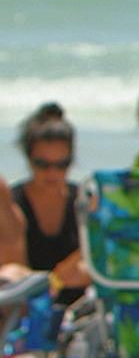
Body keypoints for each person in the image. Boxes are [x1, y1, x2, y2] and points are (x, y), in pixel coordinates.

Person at [12, 104, 90, 306]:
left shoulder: (85, 202)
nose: (52, 173)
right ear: (29, 159)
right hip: (23, 309)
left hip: (81, 310)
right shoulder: (11, 205)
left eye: (62, 164)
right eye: (42, 164)